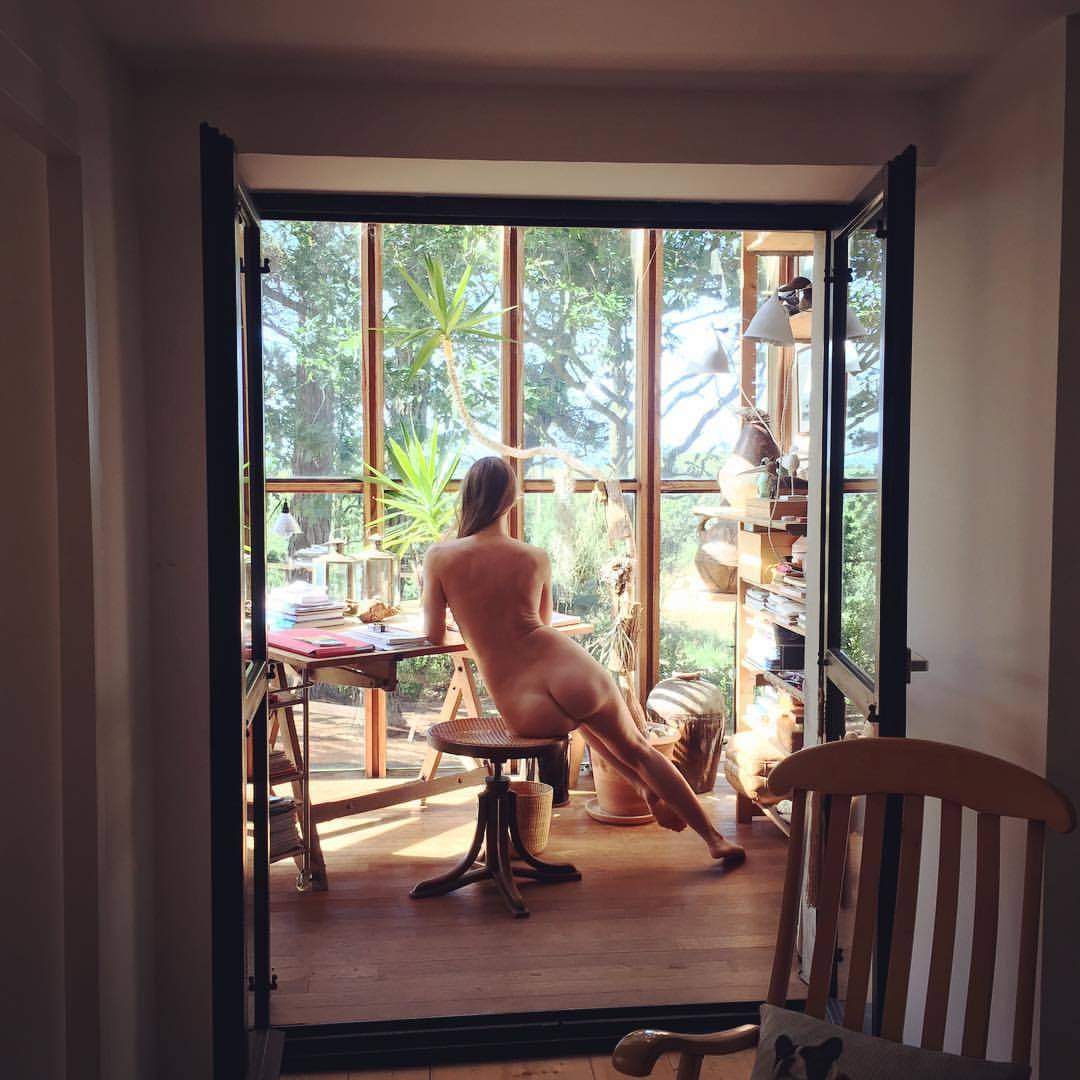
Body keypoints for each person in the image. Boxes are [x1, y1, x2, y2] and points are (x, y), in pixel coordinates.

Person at [421, 456, 746, 865]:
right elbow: (540, 623)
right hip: (569, 666)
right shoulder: (534, 556)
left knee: (578, 724)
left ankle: (643, 788)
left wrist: (472, 628)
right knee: (637, 747)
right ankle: (715, 839)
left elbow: (432, 634)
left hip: (523, 702)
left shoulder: (440, 557)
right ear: (511, 500)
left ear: (467, 496)